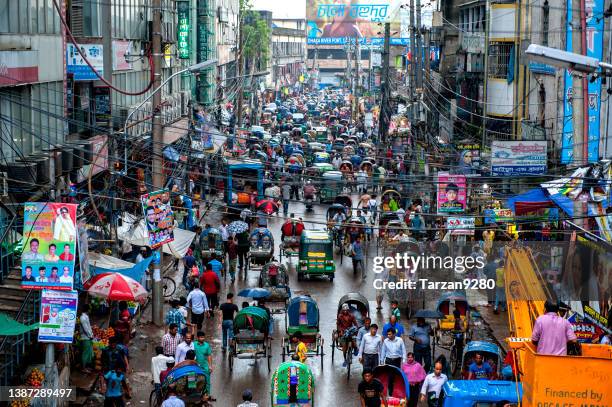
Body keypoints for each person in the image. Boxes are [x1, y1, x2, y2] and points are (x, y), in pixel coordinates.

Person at [79, 304, 94, 372]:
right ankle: (83, 368)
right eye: (89, 309)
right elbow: (86, 328)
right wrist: (90, 336)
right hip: (85, 338)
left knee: (88, 353)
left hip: (87, 337)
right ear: (87, 310)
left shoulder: (85, 317)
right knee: (85, 353)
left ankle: (86, 367)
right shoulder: (83, 318)